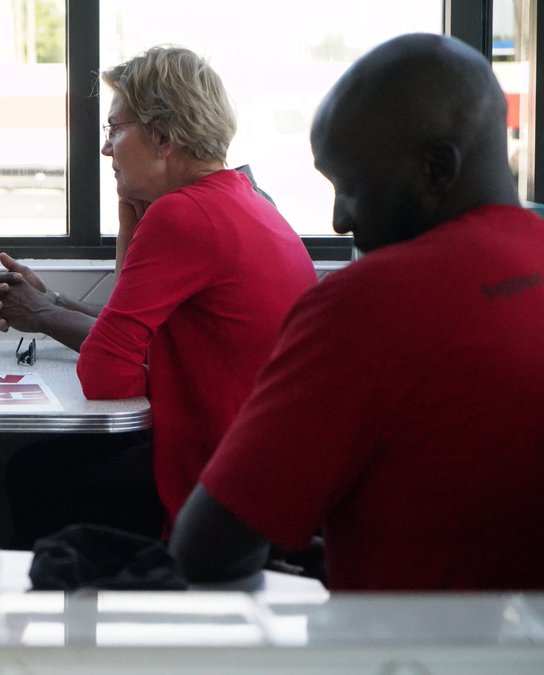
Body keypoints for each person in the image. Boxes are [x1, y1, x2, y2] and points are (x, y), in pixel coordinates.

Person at [171, 33, 544, 591]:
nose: (340, 220)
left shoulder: (370, 302)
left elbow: (205, 553)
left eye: (351, 187)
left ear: (438, 168)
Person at [0, 46, 316, 545]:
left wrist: (49, 312)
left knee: (34, 473)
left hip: (212, 483)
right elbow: (156, 326)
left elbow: (107, 376)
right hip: (265, 474)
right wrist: (57, 299)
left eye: (114, 130)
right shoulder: (245, 199)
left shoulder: (183, 215)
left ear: (163, 137)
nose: (105, 150)